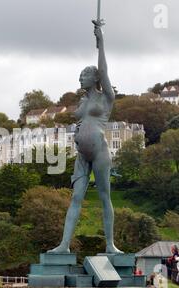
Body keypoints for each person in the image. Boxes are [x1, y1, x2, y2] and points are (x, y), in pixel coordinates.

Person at [48, 20, 122, 255]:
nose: (80, 78)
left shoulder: (106, 97)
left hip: (100, 151)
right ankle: (64, 245)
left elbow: (104, 70)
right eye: (80, 75)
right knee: (76, 198)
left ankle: (110, 245)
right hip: (82, 155)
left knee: (104, 196)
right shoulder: (81, 102)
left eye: (84, 75)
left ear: (94, 78)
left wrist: (100, 41)